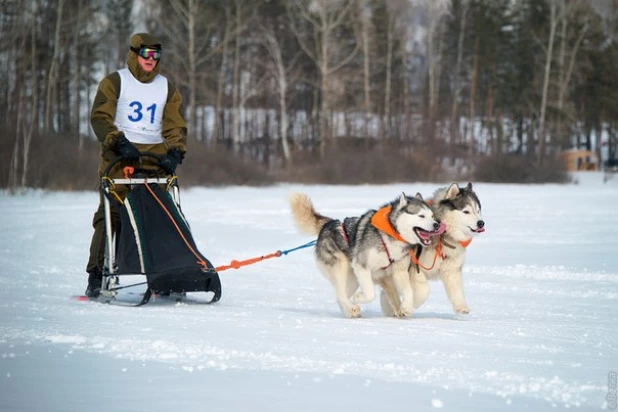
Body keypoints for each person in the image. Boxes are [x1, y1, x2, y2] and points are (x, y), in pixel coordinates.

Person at [85, 33, 187, 297]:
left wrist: (175, 152)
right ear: (134, 53)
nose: (151, 60)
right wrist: (118, 142)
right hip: (119, 158)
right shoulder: (115, 82)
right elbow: (100, 117)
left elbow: (175, 124)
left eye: (156, 55)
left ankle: (166, 273)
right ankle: (97, 275)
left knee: (163, 215)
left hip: (154, 160)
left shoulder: (167, 87)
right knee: (111, 216)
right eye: (146, 54)